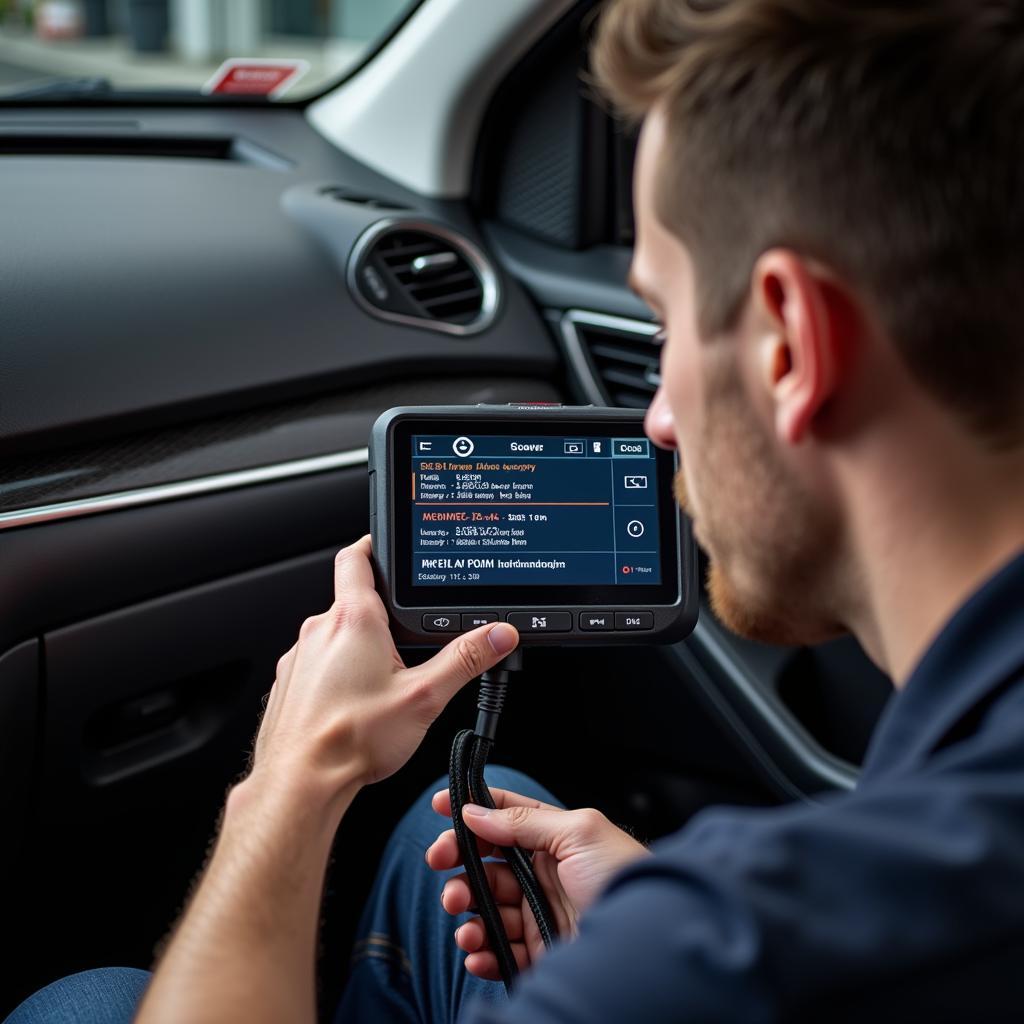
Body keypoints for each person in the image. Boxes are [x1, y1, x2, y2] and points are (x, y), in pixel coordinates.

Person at [7, 0, 1024, 1020]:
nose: (659, 421)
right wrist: (642, 915)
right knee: (444, 832)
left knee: (90, 1001)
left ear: (788, 346)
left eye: (664, 323)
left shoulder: (729, 952)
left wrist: (287, 784)